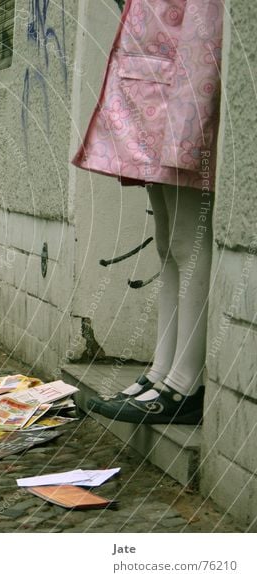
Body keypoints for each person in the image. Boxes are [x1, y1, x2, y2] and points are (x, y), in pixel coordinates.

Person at [73, 0, 223, 425]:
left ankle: (185, 381)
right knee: (168, 242)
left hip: (177, 117)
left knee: (188, 241)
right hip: (154, 114)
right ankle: (161, 372)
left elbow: (203, 42)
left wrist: (187, 136)